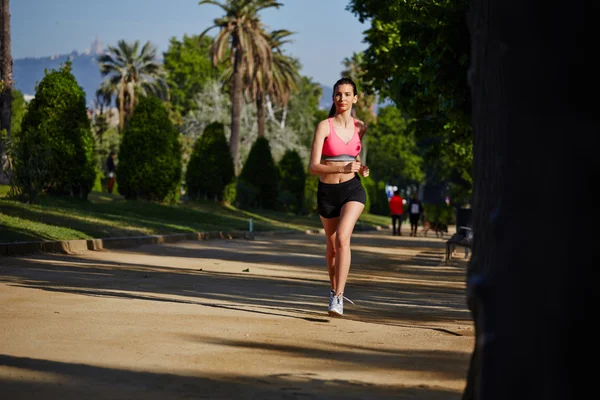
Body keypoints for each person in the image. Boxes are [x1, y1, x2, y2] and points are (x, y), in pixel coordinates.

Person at [308, 77, 369, 317]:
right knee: (332, 247)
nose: (341, 98)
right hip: (328, 192)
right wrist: (341, 168)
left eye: (346, 94)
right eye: (337, 94)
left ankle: (339, 297)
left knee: (344, 238)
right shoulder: (325, 126)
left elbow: (353, 158)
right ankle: (333, 290)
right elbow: (314, 167)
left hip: (353, 189)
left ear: (355, 98)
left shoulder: (360, 127)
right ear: (333, 98)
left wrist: (361, 168)